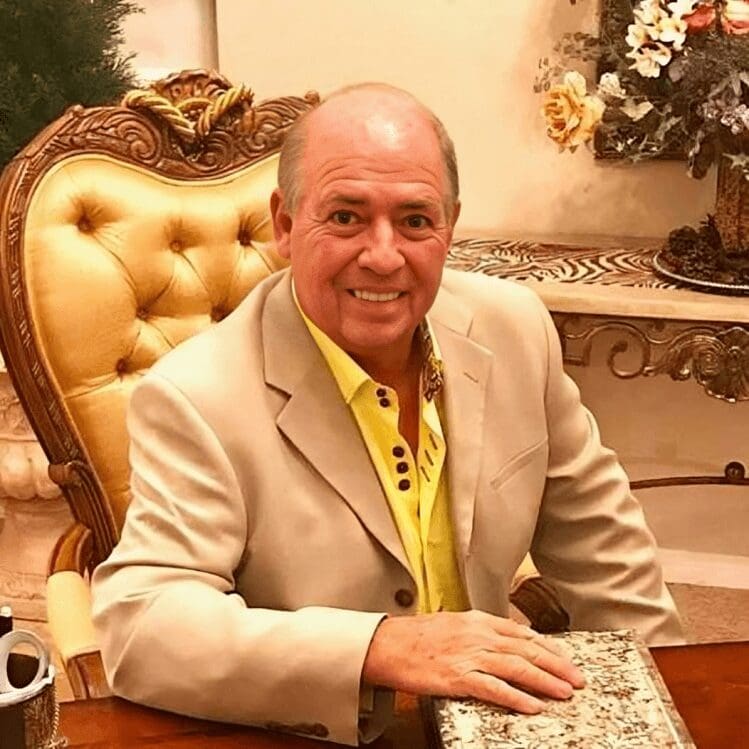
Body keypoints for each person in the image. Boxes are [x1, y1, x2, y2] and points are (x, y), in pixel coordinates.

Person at [91, 82, 683, 745]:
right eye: (345, 216)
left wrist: (673, 699)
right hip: (311, 731)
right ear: (285, 224)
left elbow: (607, 557)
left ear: (449, 224)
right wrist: (378, 647)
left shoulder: (514, 327)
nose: (382, 254)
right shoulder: (194, 395)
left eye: (414, 220)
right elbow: (144, 626)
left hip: (494, 721)